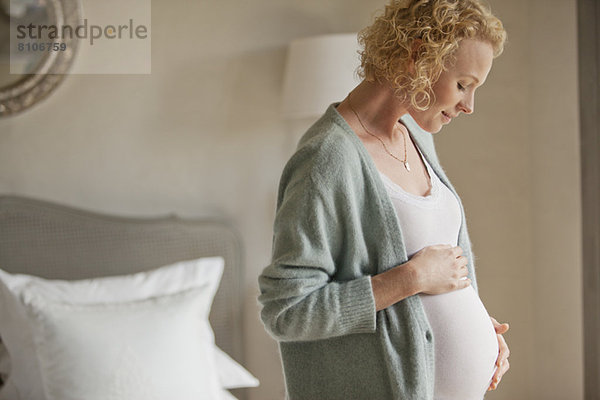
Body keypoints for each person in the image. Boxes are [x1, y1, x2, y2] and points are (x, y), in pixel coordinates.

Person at [258, 1, 510, 399]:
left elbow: (434, 269)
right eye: (463, 84)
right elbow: (286, 311)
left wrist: (484, 332)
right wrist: (409, 279)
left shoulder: (416, 135)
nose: (469, 106)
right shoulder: (327, 159)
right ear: (417, 56)